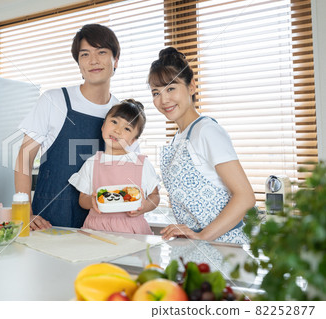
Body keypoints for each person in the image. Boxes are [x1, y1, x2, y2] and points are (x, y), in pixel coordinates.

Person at [15, 24, 125, 230]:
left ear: (115, 60)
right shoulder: (54, 100)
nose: (93, 60)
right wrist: (24, 213)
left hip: (102, 222)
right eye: (85, 54)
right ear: (79, 63)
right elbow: (24, 157)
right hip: (50, 219)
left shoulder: (122, 113)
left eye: (101, 52)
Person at [148, 47, 255, 244]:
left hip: (224, 246)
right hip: (197, 246)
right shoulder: (177, 139)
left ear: (191, 87)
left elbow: (245, 197)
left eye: (171, 88)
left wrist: (202, 235)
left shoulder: (206, 130)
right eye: (156, 92)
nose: (163, 100)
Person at [69, 99, 160, 234]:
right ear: (103, 125)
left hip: (132, 229)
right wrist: (92, 201)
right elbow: (82, 199)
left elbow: (155, 196)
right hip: (96, 228)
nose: (118, 130)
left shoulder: (142, 163)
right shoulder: (91, 163)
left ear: (133, 140)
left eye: (127, 128)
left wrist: (145, 206)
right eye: (114, 122)